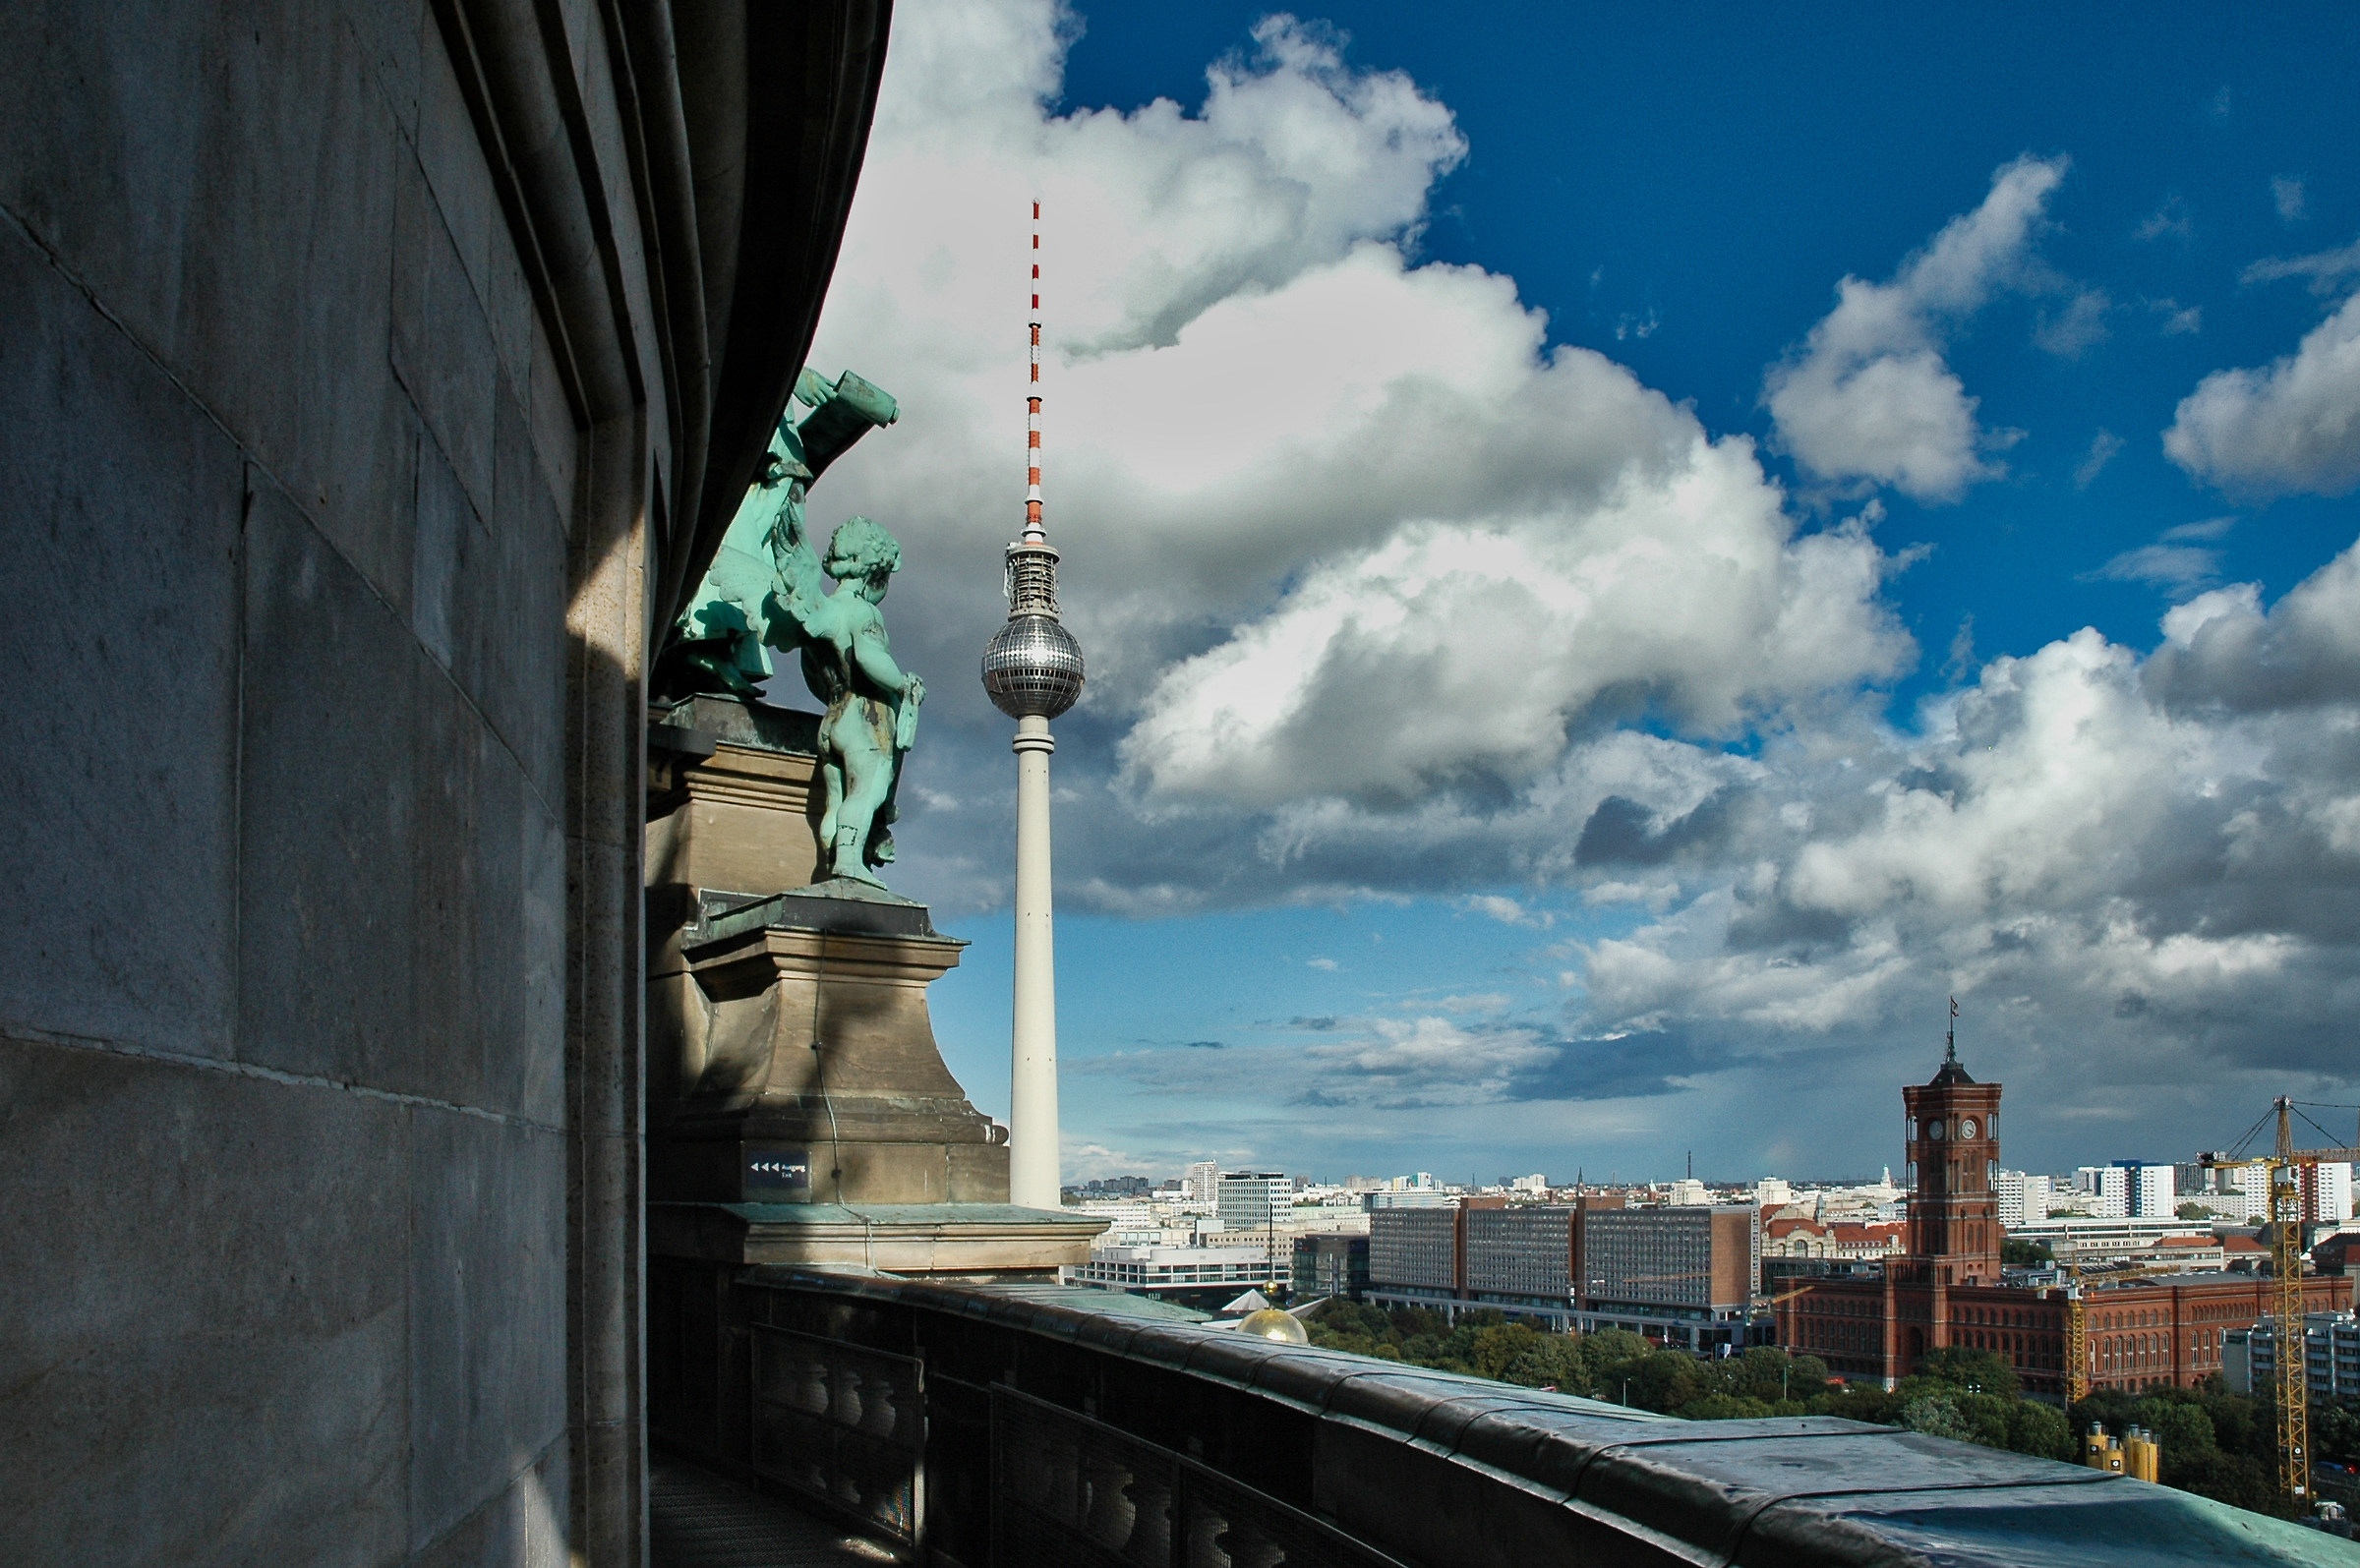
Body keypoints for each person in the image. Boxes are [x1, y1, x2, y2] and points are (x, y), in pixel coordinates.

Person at [766, 503, 923, 885]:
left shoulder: (825, 613)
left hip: (833, 717)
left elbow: (812, 675)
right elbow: (870, 658)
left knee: (835, 799)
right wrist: (902, 683)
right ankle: (849, 865)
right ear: (874, 568)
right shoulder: (863, 614)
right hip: (865, 717)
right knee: (867, 790)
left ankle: (831, 863)